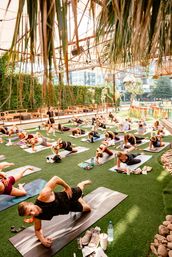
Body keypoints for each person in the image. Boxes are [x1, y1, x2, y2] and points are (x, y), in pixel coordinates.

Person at [18, 176, 91, 247]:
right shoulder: (37, 217)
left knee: (80, 189)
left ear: (31, 204)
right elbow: (37, 230)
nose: (33, 213)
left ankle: (82, 184)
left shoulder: (43, 196)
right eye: (29, 214)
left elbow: (55, 178)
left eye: (31, 210)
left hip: (69, 195)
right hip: (68, 208)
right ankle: (79, 198)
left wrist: (67, 187)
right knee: (88, 209)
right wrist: (42, 240)